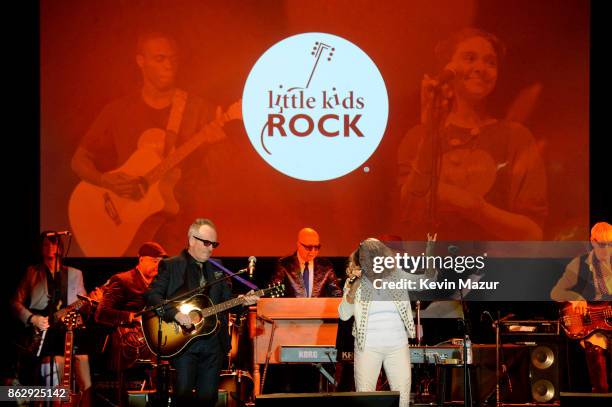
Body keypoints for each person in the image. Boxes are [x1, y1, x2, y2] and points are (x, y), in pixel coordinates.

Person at [70, 31, 236, 256]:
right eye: (160, 59)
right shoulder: (118, 111)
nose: (169, 65)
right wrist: (105, 181)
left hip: (182, 237)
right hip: (129, 238)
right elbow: (79, 161)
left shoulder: (199, 110)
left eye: (173, 59)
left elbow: (224, 177)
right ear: (141, 61)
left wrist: (219, 144)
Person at [397, 28, 547, 241]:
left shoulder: (516, 137)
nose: (481, 68)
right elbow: (409, 208)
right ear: (448, 68)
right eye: (469, 58)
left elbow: (533, 233)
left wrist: (474, 207)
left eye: (490, 62)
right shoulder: (417, 137)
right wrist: (430, 133)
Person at [144, 218, 258, 406]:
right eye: (206, 243)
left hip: (213, 343)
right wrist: (176, 314)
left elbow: (228, 302)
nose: (211, 248)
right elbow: (152, 296)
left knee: (208, 398)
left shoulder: (217, 268)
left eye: (214, 244)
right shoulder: (171, 265)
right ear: (191, 240)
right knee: (183, 397)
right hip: (183, 343)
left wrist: (245, 301)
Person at [11, 232, 92, 405]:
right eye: (45, 244)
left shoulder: (75, 274)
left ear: (60, 248)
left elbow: (83, 303)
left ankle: (83, 401)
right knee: (53, 372)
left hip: (67, 333)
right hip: (40, 334)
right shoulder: (32, 272)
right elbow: (14, 303)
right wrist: (33, 319)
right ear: (40, 249)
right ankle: (49, 401)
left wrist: (82, 312)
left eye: (53, 244)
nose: (49, 248)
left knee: (83, 363)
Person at [339, 238, 416, 407]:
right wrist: (352, 290)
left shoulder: (397, 276)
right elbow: (344, 315)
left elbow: (427, 281)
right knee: (366, 397)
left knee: (402, 398)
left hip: (397, 345)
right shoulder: (354, 280)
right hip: (367, 347)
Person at [94, 241, 168, 406]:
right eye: (154, 261)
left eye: (160, 262)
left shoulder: (160, 283)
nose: (158, 265)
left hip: (155, 336)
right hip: (129, 339)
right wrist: (131, 317)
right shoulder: (122, 280)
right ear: (141, 260)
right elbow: (101, 314)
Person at [551, 221, 611, 392]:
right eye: (602, 244)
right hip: (591, 328)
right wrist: (576, 298)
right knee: (595, 347)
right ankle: (600, 394)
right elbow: (556, 293)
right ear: (592, 241)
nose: (606, 249)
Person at [271, 227, 342, 298]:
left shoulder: (325, 265)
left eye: (317, 247)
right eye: (309, 247)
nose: (313, 252)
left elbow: (336, 293)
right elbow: (275, 294)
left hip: (317, 308)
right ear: (299, 245)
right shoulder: (284, 264)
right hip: (291, 308)